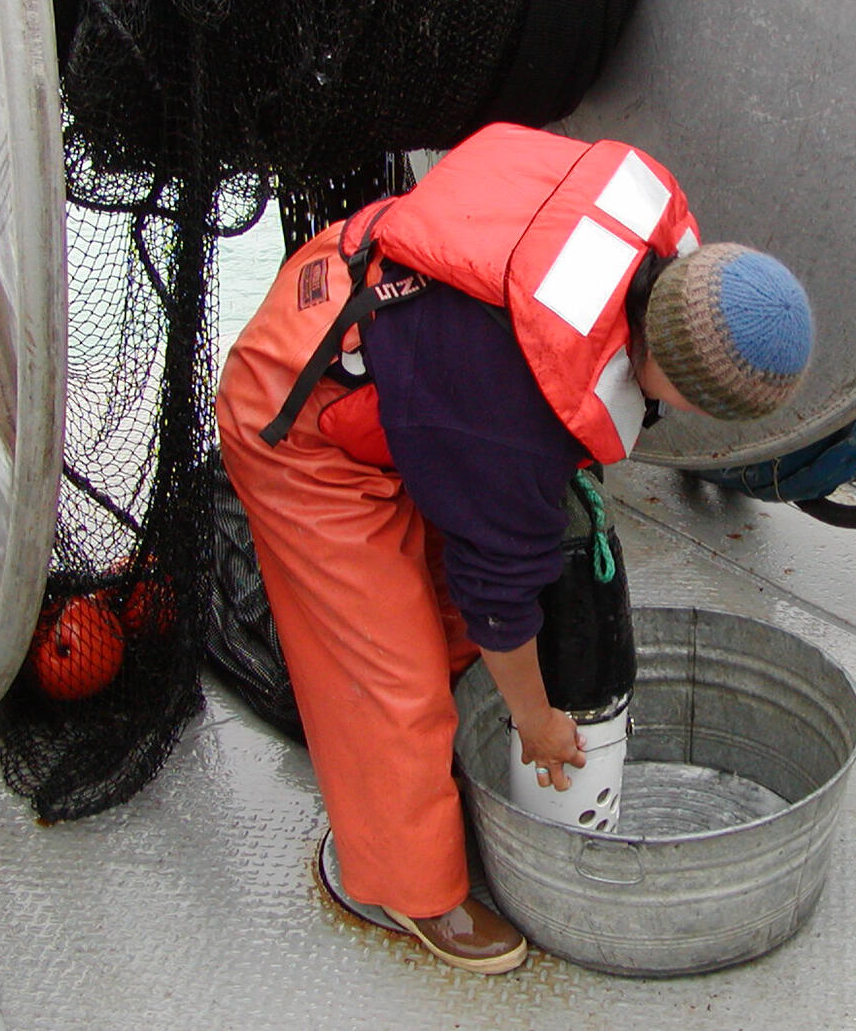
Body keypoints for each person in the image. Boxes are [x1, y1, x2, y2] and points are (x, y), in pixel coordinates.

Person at [216, 122, 813, 974]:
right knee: (394, 678)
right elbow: (501, 600)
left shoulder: (653, 257)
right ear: (673, 368)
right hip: (306, 418)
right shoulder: (512, 418)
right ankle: (412, 891)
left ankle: (446, 787)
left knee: (451, 618)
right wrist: (536, 723)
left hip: (399, 344)